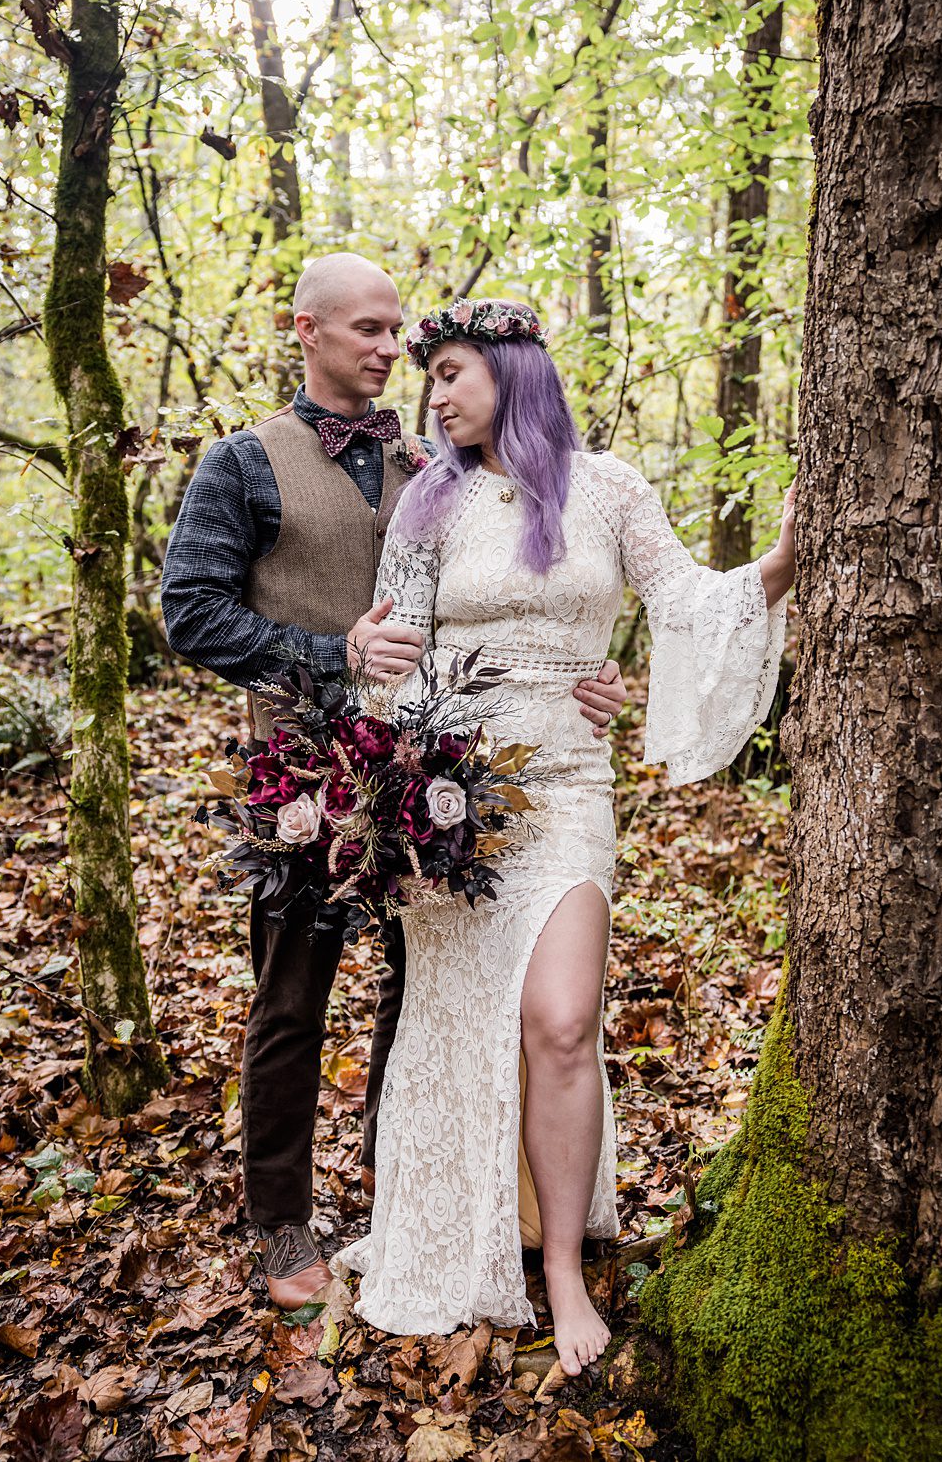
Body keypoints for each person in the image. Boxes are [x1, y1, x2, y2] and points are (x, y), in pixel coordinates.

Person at [331, 296, 796, 1375]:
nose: (433, 396)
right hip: (456, 802)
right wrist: (382, 772)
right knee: (467, 1025)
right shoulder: (427, 509)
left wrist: (776, 565)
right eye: (426, 378)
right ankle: (476, 1229)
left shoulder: (610, 488)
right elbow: (386, 652)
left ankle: (562, 1273)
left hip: (570, 788)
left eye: (450, 372)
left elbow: (682, 599)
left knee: (561, 1016)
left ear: (511, 369)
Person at [160, 257, 628, 1310]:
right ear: (307, 330)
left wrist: (583, 673)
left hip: (444, 782)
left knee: (421, 994)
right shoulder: (244, 462)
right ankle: (280, 1220)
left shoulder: (443, 462)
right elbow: (190, 612)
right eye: (367, 330)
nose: (387, 351)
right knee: (292, 996)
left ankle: (403, 1197)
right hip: (308, 782)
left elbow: (525, 589)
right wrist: (336, 659)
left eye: (396, 336)